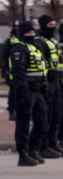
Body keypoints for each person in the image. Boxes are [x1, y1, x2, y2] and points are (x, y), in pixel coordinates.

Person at [9, 21, 48, 166]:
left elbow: (43, 70)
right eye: (28, 32)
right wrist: (23, 92)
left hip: (39, 90)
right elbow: (18, 72)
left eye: (33, 32)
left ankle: (34, 149)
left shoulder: (37, 48)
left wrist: (45, 88)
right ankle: (23, 153)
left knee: (43, 122)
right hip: (27, 90)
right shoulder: (19, 49)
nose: (32, 35)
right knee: (23, 122)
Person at [35, 15, 63, 158]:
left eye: (54, 24)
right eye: (50, 25)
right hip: (48, 81)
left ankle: (53, 143)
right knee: (48, 114)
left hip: (58, 80)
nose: (53, 27)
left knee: (57, 114)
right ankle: (43, 145)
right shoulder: (40, 42)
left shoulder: (53, 41)